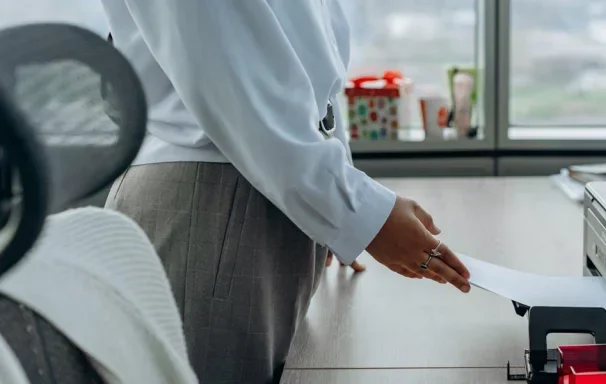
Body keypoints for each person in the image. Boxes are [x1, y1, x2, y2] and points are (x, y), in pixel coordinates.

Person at [99, 1, 472, 383]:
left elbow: (310, 82)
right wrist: (352, 211)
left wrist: (326, 210)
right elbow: (234, 83)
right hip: (212, 198)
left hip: (260, 187)